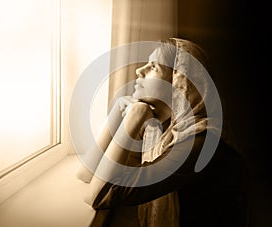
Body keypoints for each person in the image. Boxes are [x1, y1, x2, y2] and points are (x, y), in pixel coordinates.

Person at [76, 38, 249, 227]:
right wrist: (118, 111)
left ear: (179, 83)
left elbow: (99, 196)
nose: (139, 71)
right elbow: (87, 173)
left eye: (153, 67)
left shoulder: (199, 142)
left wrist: (133, 117)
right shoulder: (160, 129)